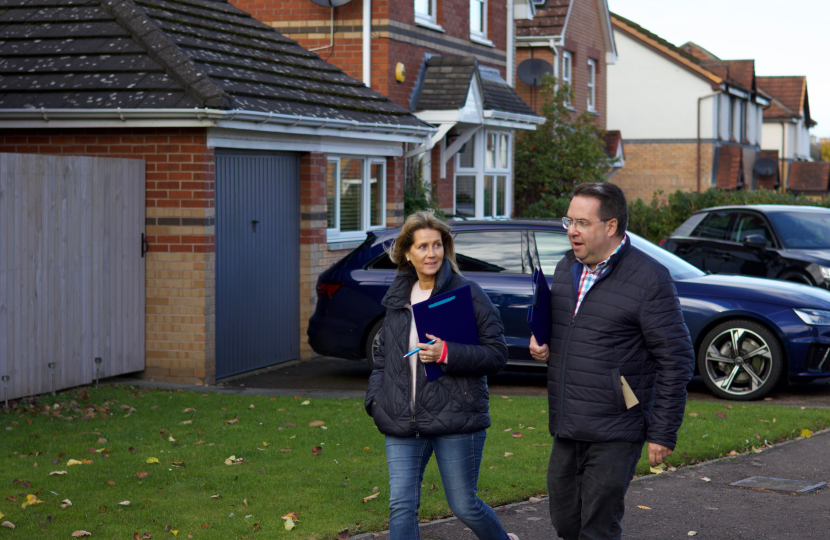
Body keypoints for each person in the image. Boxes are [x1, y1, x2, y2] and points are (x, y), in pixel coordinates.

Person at [529, 182, 694, 540]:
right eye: (568, 221)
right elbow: (572, 332)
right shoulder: (565, 268)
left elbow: (676, 359)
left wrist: (662, 433)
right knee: (565, 523)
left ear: (611, 226)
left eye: (582, 223)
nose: (571, 230)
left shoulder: (650, 279)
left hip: (617, 426)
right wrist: (543, 344)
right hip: (567, 421)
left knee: (598, 528)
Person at [365, 210, 519, 540]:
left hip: (456, 418)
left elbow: (498, 354)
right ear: (407, 252)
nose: (431, 253)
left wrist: (447, 353)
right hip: (402, 422)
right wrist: (376, 401)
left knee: (465, 506)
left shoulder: (468, 293)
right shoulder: (397, 300)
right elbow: (383, 359)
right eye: (422, 246)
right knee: (401, 505)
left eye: (437, 245)